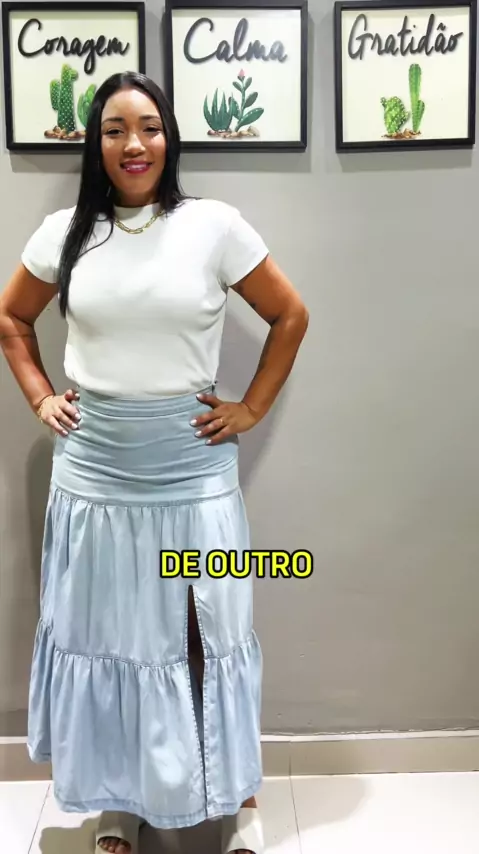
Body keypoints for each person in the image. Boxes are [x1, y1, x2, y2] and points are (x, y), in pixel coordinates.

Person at [0, 71, 309, 854]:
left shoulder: (214, 226)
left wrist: (250, 408)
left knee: (208, 634)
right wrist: (40, 397)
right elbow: (11, 319)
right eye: (115, 129)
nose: (133, 143)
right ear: (95, 144)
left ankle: (240, 802)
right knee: (113, 638)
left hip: (189, 467)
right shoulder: (65, 233)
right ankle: (119, 803)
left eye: (148, 127)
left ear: (169, 137)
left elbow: (289, 314)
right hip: (95, 471)